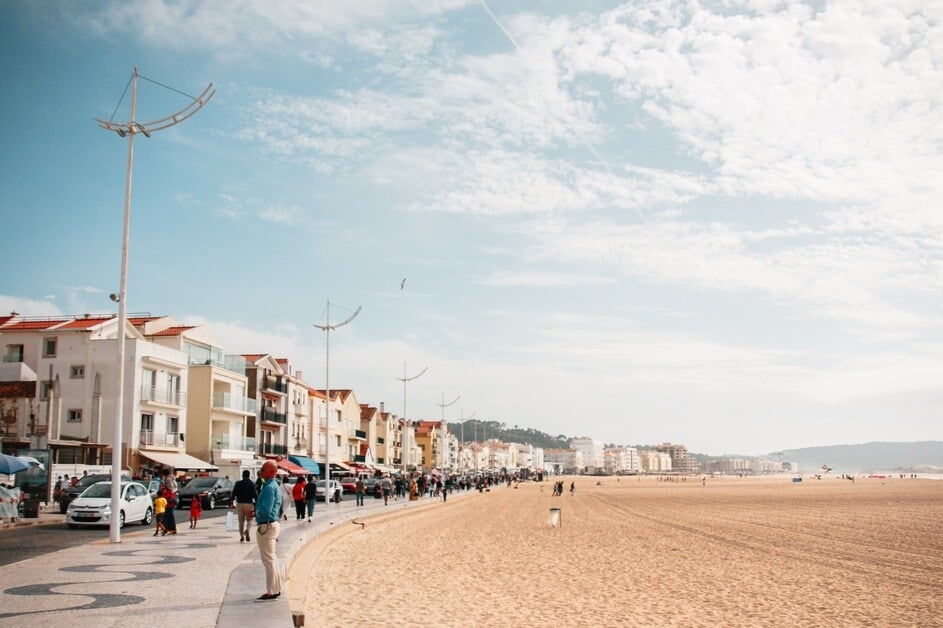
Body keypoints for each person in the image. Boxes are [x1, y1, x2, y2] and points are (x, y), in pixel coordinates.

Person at [254, 460, 282, 601]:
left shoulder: (270, 488)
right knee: (272, 559)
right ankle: (275, 588)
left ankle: (272, 590)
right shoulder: (272, 486)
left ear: (271, 471)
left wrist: (255, 512)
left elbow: (266, 510)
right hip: (271, 524)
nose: (261, 471)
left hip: (267, 525)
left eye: (263, 469)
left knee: (268, 560)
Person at [230, 469, 258, 542]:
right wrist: (256, 503)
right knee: (249, 520)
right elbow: (255, 495)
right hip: (249, 504)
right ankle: (247, 530)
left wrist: (231, 501)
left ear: (242, 475)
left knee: (241, 521)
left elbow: (233, 493)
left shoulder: (238, 483)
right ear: (249, 475)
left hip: (240, 504)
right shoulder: (251, 483)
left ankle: (241, 536)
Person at [161, 468, 178, 534]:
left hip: (169, 499)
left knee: (168, 515)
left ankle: (171, 528)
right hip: (172, 498)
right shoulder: (172, 479)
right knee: (169, 514)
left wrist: (166, 490)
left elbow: (171, 488)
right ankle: (169, 528)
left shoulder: (168, 480)